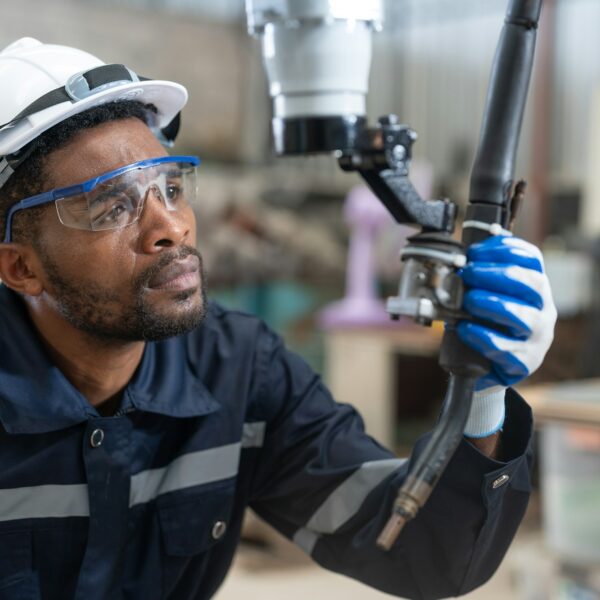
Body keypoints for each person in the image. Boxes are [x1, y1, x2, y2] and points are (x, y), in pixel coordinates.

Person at [0, 38, 556, 600]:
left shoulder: (239, 371)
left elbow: (424, 554)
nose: (170, 226)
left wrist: (484, 393)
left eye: (169, 188)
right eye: (112, 207)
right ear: (21, 267)